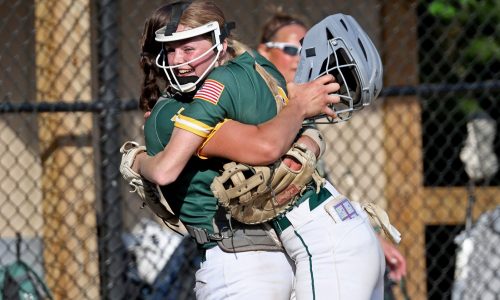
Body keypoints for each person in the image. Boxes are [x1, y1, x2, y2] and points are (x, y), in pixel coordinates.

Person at [129, 1, 385, 299]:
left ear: (219, 44)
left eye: (188, 49)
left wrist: (137, 160)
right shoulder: (252, 70)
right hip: (314, 240)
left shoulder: (216, 92)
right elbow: (285, 135)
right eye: (170, 50)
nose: (178, 60)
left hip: (252, 259)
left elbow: (263, 145)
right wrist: (303, 135)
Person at [257, 11, 408, 296]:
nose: (300, 58)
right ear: (264, 51)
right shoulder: (258, 99)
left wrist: (376, 238)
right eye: (291, 49)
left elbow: (316, 194)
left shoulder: (303, 114)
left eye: (305, 49)